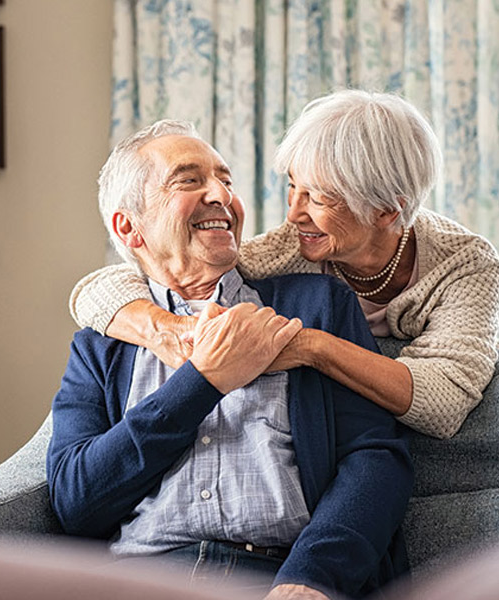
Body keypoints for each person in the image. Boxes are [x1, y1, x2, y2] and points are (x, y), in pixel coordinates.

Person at [47, 120, 414, 600]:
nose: (220, 194)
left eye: (225, 180)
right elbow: (76, 500)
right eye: (189, 180)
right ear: (129, 227)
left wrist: (312, 579)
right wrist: (204, 381)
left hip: (278, 576)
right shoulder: (102, 346)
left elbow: (376, 460)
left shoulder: (316, 305)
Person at [69, 90, 499, 440]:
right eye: (293, 187)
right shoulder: (290, 247)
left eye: (318, 197)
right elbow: (104, 286)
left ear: (387, 211)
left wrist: (311, 347)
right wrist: (168, 329)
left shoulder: (465, 264)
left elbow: (444, 403)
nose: (294, 213)